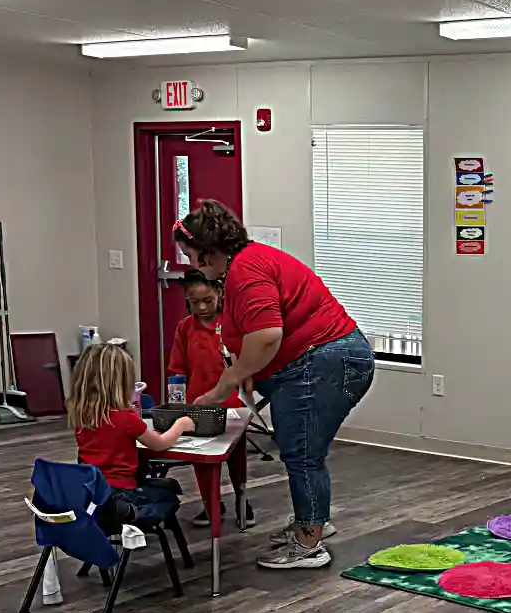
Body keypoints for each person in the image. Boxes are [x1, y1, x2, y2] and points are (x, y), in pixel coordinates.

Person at [174, 200, 374, 571]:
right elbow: (258, 336)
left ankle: (309, 544)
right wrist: (247, 369)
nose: (191, 264)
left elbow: (266, 334)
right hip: (327, 360)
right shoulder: (249, 262)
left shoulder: (246, 270)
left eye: (191, 255)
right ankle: (310, 522)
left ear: (206, 251)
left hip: (323, 362)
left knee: (302, 454)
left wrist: (228, 382)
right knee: (302, 451)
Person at [167, 270, 255, 529]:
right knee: (202, 459)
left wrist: (247, 400)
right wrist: (178, 402)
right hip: (198, 407)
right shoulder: (185, 328)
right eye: (195, 302)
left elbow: (248, 366)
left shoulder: (233, 326)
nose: (202, 307)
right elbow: (177, 370)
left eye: (208, 300)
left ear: (219, 294)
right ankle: (211, 505)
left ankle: (242, 500)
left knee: (236, 457)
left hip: (232, 406)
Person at [70, 343, 195, 522]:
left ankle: (113, 515)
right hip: (121, 493)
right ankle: (129, 515)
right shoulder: (125, 417)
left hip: (92, 491)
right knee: (169, 498)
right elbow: (159, 444)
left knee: (166, 486)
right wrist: (181, 425)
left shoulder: (82, 413)